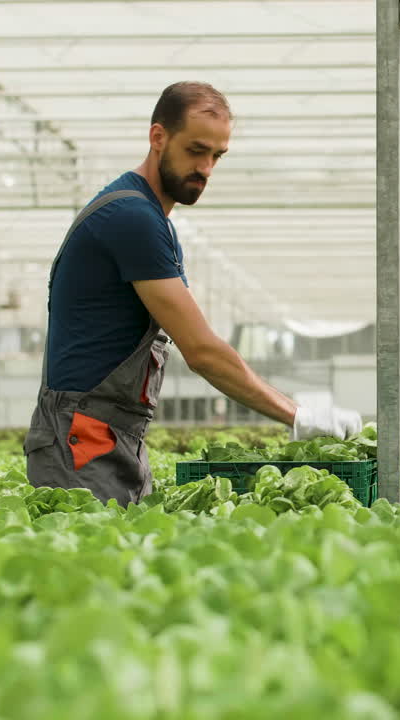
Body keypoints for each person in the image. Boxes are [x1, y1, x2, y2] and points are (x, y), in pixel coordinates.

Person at [24, 81, 362, 506]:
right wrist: (297, 416)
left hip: (109, 434)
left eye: (216, 156)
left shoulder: (152, 220)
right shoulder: (131, 218)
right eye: (196, 150)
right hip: (82, 438)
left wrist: (300, 413)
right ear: (158, 137)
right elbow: (202, 351)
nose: (205, 167)